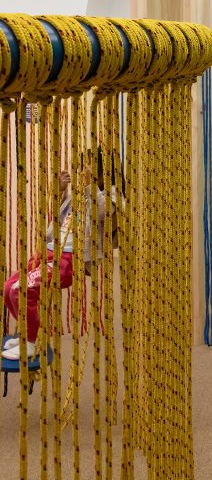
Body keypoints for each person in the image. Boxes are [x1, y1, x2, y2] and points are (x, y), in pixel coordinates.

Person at [2, 148, 119, 362]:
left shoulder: (110, 194)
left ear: (101, 170)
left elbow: (105, 211)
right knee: (9, 287)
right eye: (81, 166)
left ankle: (32, 342)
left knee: (22, 290)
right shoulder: (76, 194)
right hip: (49, 250)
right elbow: (56, 218)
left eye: (87, 166)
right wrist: (60, 190)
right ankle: (26, 334)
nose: (81, 170)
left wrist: (90, 185)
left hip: (69, 259)